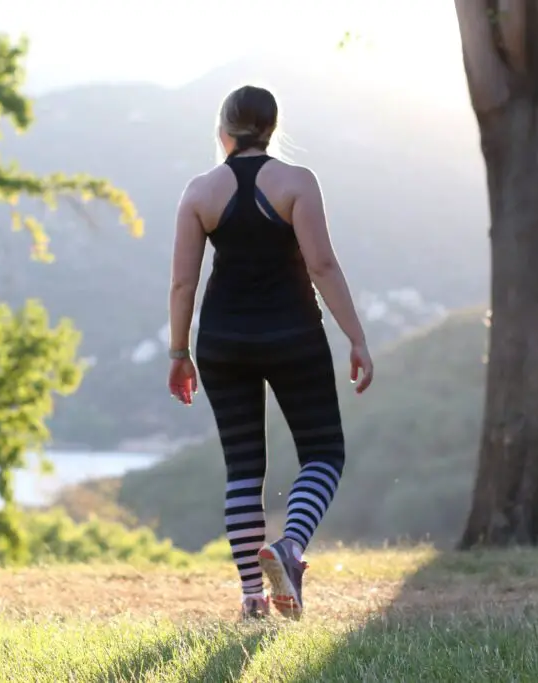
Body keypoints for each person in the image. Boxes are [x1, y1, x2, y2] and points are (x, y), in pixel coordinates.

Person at [166, 85, 373, 621]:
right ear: (272, 129)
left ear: (224, 131)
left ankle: (252, 598)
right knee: (324, 452)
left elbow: (183, 285)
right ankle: (290, 545)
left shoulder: (199, 192)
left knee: (243, 470)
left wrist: (178, 352)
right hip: (293, 337)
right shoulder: (296, 183)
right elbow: (323, 265)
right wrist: (356, 337)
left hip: (221, 343)